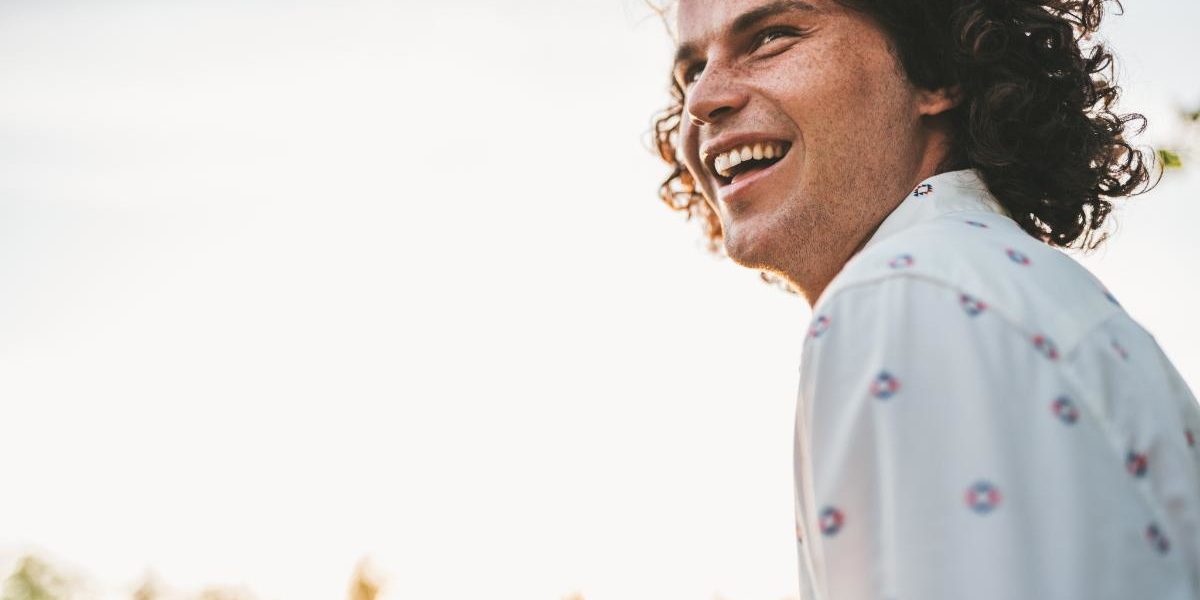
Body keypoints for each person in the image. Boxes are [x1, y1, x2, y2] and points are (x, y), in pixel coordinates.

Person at [649, 0, 1200, 598]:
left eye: (771, 37)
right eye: (690, 71)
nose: (702, 101)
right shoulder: (1000, 288)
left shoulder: (903, 297)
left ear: (937, 71)